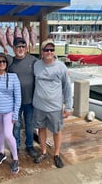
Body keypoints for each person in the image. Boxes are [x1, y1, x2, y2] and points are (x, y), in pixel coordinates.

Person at [32, 39, 73, 168]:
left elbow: (67, 87)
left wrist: (69, 106)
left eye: (51, 50)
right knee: (41, 129)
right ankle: (44, 152)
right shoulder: (36, 65)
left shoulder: (61, 66)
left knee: (57, 131)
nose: (49, 52)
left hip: (55, 107)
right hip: (38, 105)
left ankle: (56, 154)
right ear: (42, 52)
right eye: (46, 50)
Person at [0, 52, 21, 174]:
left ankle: (16, 159)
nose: (2, 63)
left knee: (8, 134)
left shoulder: (13, 77)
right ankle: (2, 153)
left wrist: (16, 113)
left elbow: (18, 97)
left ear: (6, 64)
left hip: (9, 111)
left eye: (4, 61)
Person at [9, 37, 38, 158]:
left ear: (26, 48)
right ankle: (16, 146)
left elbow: (45, 67)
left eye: (22, 46)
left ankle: (30, 145)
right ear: (13, 48)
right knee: (15, 125)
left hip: (30, 100)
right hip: (14, 101)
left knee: (29, 124)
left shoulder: (33, 60)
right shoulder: (9, 62)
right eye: (17, 47)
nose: (20, 49)